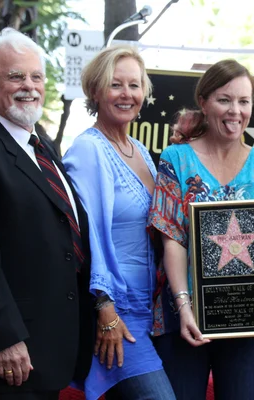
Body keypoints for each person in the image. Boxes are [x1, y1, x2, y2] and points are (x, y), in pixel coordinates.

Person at [0, 28, 93, 400]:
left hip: (52, 346)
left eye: (36, 76)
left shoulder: (44, 147)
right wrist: (5, 338)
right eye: (16, 76)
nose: (29, 86)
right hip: (13, 355)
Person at [148, 59, 254, 400]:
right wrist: (184, 307)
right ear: (204, 101)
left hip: (250, 317)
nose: (235, 111)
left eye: (243, 101)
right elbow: (172, 240)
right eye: (225, 100)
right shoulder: (176, 159)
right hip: (184, 319)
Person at [62, 46, 175, 400]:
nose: (127, 94)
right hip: (116, 312)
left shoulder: (140, 150)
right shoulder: (88, 150)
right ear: (96, 91)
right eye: (116, 85)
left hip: (152, 309)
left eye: (135, 85)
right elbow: (86, 236)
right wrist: (106, 311)